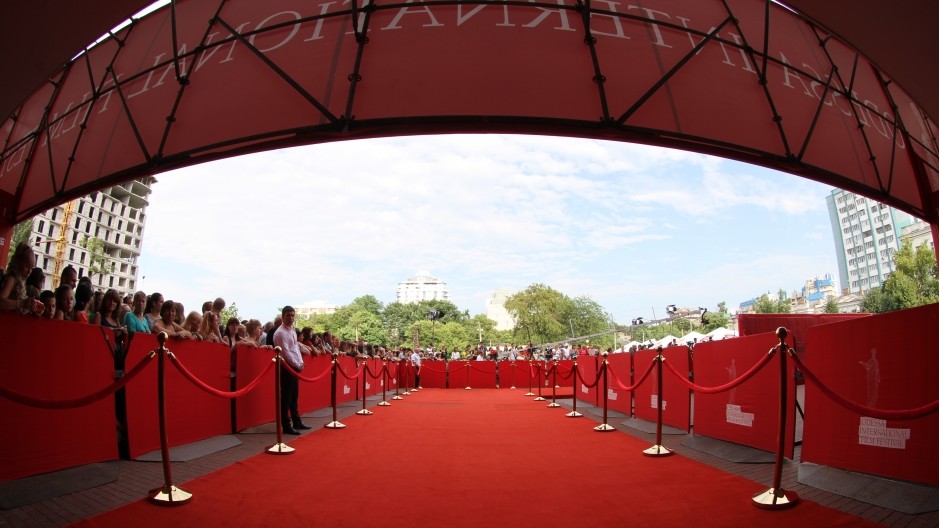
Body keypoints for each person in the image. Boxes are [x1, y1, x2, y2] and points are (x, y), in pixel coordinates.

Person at [273, 306, 311, 435]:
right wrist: (297, 364)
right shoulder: (280, 333)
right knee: (286, 398)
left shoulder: (293, 331)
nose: (291, 318)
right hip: (286, 367)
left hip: (295, 366)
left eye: (292, 315)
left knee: (294, 396)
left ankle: (296, 421)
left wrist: (300, 362)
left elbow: (295, 349)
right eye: (288, 315)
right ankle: (286, 425)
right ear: (283, 316)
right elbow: (285, 353)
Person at [0, 242, 43, 315]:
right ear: (19, 262)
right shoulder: (12, 279)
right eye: (27, 266)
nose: (29, 271)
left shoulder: (21, 280)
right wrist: (21, 303)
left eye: (31, 268)